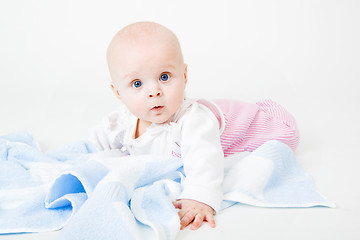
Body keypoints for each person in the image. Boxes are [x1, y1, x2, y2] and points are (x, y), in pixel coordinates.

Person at [91, 21, 300, 231]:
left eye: (164, 77)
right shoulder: (122, 121)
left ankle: (265, 114)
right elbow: (96, 147)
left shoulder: (193, 121)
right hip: (219, 114)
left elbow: (205, 160)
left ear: (184, 75)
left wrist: (200, 197)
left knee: (279, 137)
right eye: (137, 83)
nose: (154, 91)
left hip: (255, 125)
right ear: (117, 91)